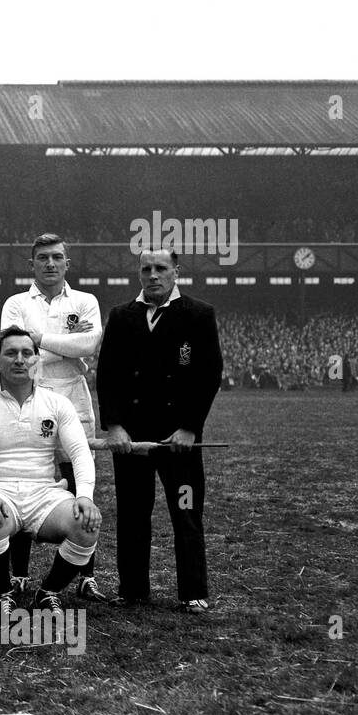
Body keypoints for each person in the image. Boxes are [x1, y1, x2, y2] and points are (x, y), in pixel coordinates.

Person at [96, 249, 223, 613]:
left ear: (176, 272)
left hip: (177, 440)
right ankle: (133, 589)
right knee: (133, 512)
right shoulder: (122, 316)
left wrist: (189, 428)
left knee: (185, 511)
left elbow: (209, 375)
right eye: (146, 269)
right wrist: (115, 426)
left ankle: (193, 592)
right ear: (139, 273)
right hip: (132, 440)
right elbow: (108, 375)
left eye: (161, 269)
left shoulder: (198, 314)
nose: (153, 275)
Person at [0, 327, 102, 630]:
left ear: (37, 359)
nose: (19, 360)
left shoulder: (57, 403)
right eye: (11, 353)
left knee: (87, 524)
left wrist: (85, 496)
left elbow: (79, 453)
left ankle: (48, 592)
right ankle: (0, 592)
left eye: (27, 353)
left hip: (44, 493)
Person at [0, 233, 109, 602]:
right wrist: (55, 341)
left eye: (57, 257)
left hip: (72, 395)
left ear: (68, 263)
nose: (50, 263)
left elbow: (89, 345)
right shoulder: (16, 303)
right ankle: (18, 576)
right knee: (21, 478)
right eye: (43, 257)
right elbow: (15, 345)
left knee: (80, 481)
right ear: (32, 263)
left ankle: (86, 575)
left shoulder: (84, 300)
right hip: (27, 396)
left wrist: (39, 338)